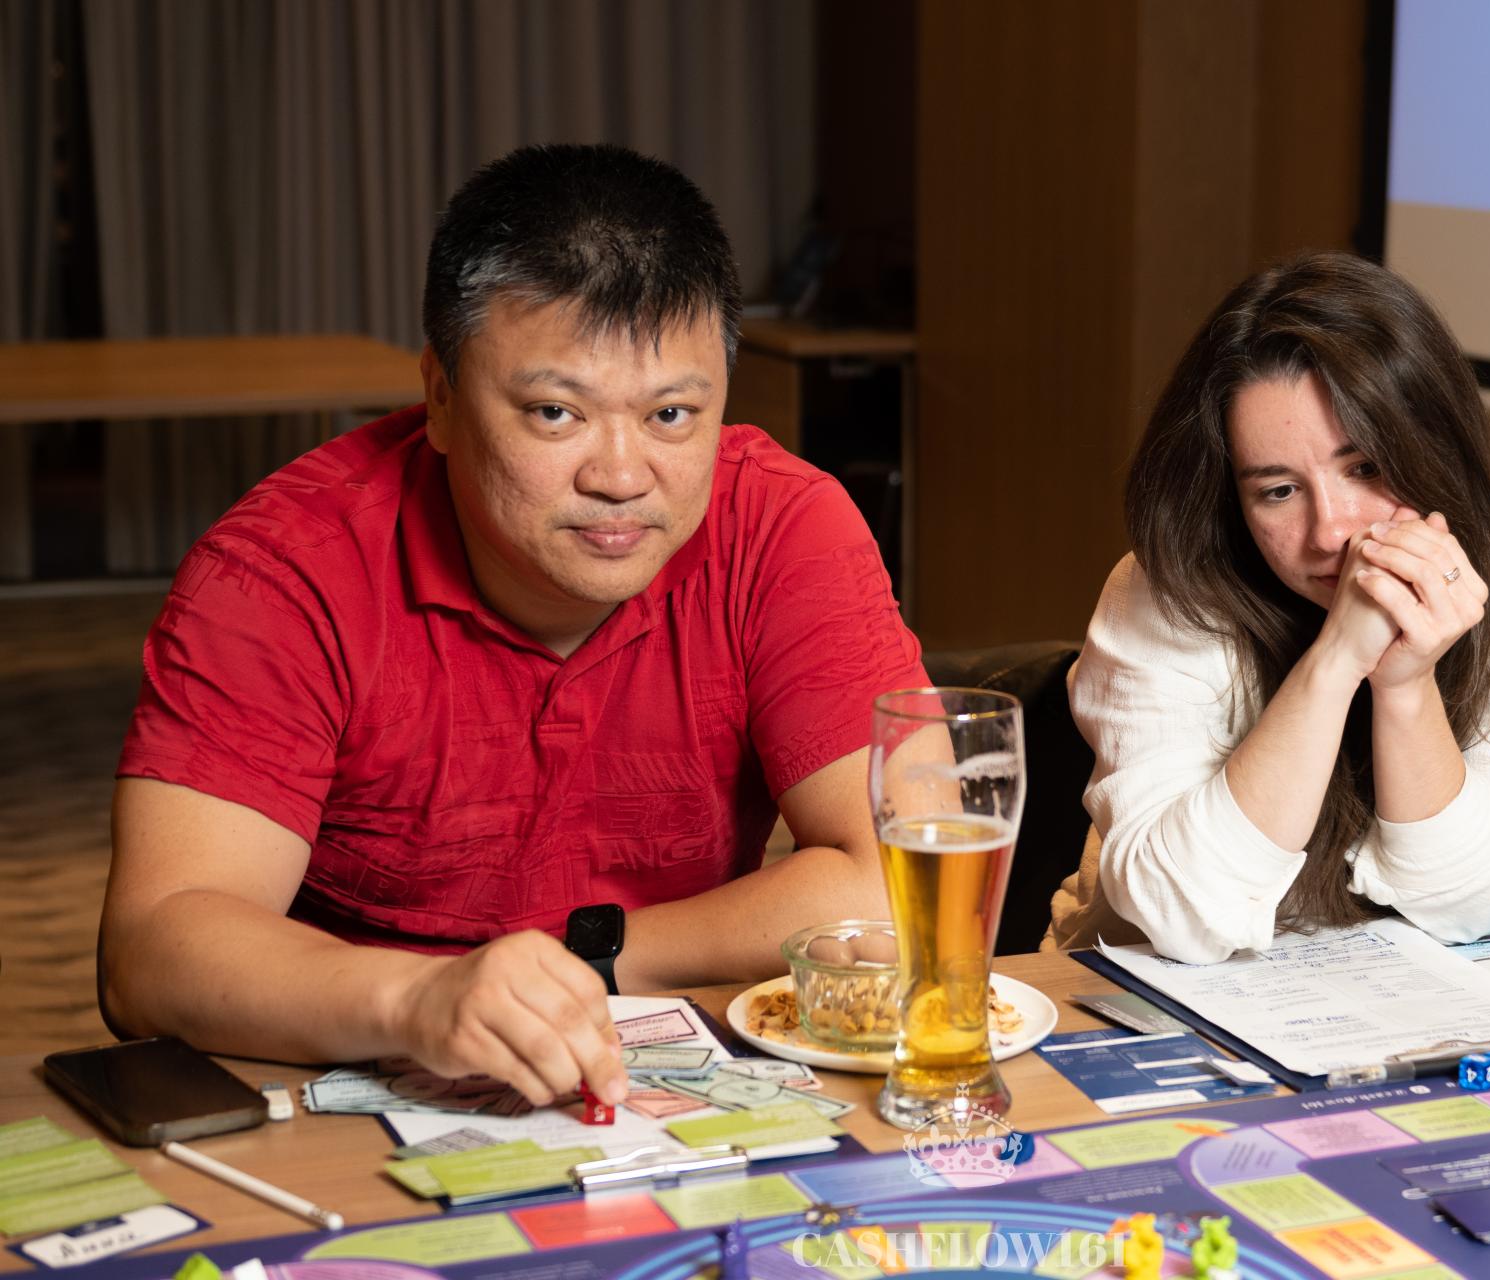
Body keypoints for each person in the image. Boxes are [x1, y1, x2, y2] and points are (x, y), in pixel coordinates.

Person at [99, 145, 925, 1108]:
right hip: (354, 1080)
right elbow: (153, 949)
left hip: (659, 1077)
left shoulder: (781, 526)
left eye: (670, 414)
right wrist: (421, 998)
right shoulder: (285, 569)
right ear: (441, 397)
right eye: (555, 413)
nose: (621, 476)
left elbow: (905, 881)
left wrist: (583, 961)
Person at [1047, 252, 1490, 962]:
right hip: (1135, 992)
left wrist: (1405, 684)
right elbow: (1182, 912)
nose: (1332, 531)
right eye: (1278, 491)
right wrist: (1337, 659)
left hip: (1395, 994)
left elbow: (1476, 906)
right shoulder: (1166, 590)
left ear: (1437, 444)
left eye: (1366, 468)